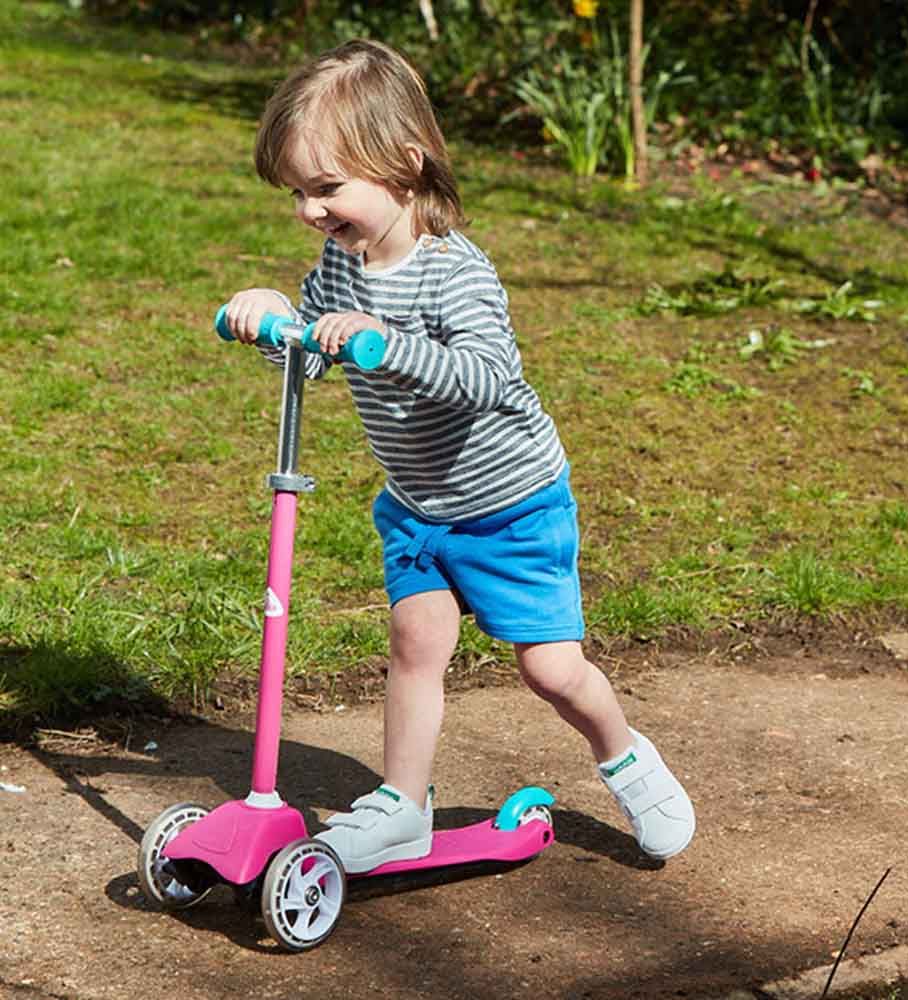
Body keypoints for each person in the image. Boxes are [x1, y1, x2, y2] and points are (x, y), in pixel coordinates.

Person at [221, 39, 695, 873]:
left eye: (326, 188)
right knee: (414, 640)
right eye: (297, 192)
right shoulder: (339, 266)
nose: (307, 210)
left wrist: (387, 342)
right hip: (419, 508)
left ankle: (625, 756)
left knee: (551, 671)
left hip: (511, 506)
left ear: (405, 166)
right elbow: (316, 350)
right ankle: (402, 804)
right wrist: (272, 319)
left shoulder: (455, 274)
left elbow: (484, 378)